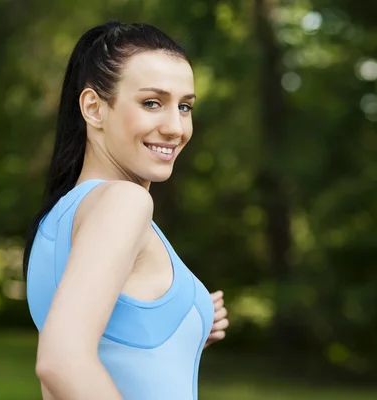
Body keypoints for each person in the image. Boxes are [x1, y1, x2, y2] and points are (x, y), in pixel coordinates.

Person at [22, 21, 229, 400]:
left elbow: (116, 349)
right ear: (93, 108)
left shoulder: (57, 220)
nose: (175, 127)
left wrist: (189, 321)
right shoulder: (125, 202)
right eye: (152, 102)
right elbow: (61, 361)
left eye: (184, 106)